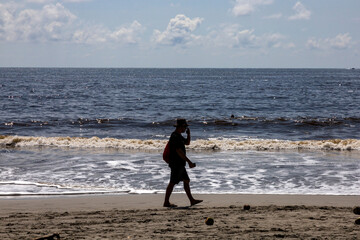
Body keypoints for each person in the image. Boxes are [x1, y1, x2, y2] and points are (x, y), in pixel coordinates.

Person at [163, 119, 203, 207]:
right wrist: (189, 162)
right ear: (180, 126)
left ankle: (192, 200)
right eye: (185, 126)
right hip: (176, 163)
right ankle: (166, 202)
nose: (185, 128)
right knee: (173, 182)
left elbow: (187, 143)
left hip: (179, 163)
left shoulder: (179, 136)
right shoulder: (174, 136)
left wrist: (188, 134)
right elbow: (179, 151)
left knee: (186, 180)